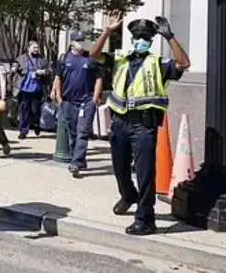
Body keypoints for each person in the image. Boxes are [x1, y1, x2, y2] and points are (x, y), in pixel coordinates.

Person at [91, 16, 189, 236]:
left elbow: (183, 64)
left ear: (151, 41)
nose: (140, 40)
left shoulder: (158, 63)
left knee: (145, 174)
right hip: (119, 124)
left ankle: (145, 219)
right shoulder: (121, 60)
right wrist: (107, 31)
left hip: (143, 126)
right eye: (137, 37)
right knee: (120, 170)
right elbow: (94, 55)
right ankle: (128, 195)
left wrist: (170, 37)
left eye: (145, 37)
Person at [52, 30, 103, 178]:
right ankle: (79, 158)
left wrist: (94, 99)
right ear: (72, 42)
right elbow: (58, 78)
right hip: (68, 102)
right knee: (72, 133)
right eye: (78, 40)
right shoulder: (64, 58)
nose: (81, 43)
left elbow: (99, 79)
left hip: (86, 102)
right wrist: (59, 98)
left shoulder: (90, 59)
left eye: (82, 40)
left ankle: (76, 162)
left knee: (82, 132)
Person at [12, 41, 53, 138]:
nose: (36, 49)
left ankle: (36, 124)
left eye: (37, 48)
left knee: (35, 110)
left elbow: (50, 71)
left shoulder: (42, 60)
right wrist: (14, 68)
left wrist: (43, 72)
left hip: (37, 89)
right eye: (34, 47)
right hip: (23, 89)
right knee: (23, 110)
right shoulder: (21, 59)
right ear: (28, 48)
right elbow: (15, 66)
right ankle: (23, 131)